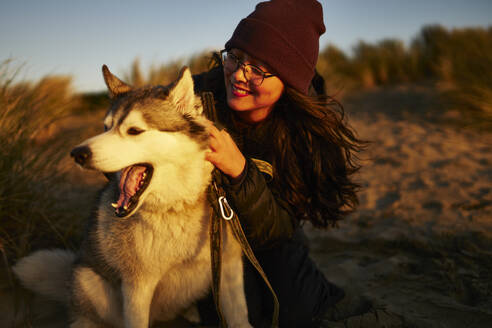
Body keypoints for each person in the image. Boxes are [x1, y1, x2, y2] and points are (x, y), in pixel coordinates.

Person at [193, 0, 367, 326]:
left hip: (272, 237)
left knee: (293, 312)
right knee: (230, 315)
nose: (240, 75)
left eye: (259, 68)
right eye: (236, 57)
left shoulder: (303, 134)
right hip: (205, 240)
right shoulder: (196, 97)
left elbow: (280, 227)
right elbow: (132, 124)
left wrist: (239, 171)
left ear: (287, 80)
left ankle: (321, 290)